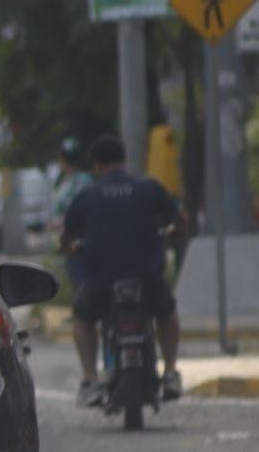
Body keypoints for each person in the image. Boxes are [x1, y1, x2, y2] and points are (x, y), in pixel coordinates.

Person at [62, 134, 184, 407]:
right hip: (148, 279)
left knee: (82, 320)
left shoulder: (87, 195)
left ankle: (91, 379)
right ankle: (172, 372)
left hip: (101, 284)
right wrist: (170, 234)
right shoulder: (149, 188)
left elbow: (66, 237)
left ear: (96, 165)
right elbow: (179, 220)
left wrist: (72, 249)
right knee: (166, 312)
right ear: (124, 160)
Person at [50, 137, 93, 293]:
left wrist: (62, 222)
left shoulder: (82, 181)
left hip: (79, 239)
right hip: (67, 239)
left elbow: (80, 210)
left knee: (81, 279)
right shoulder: (65, 181)